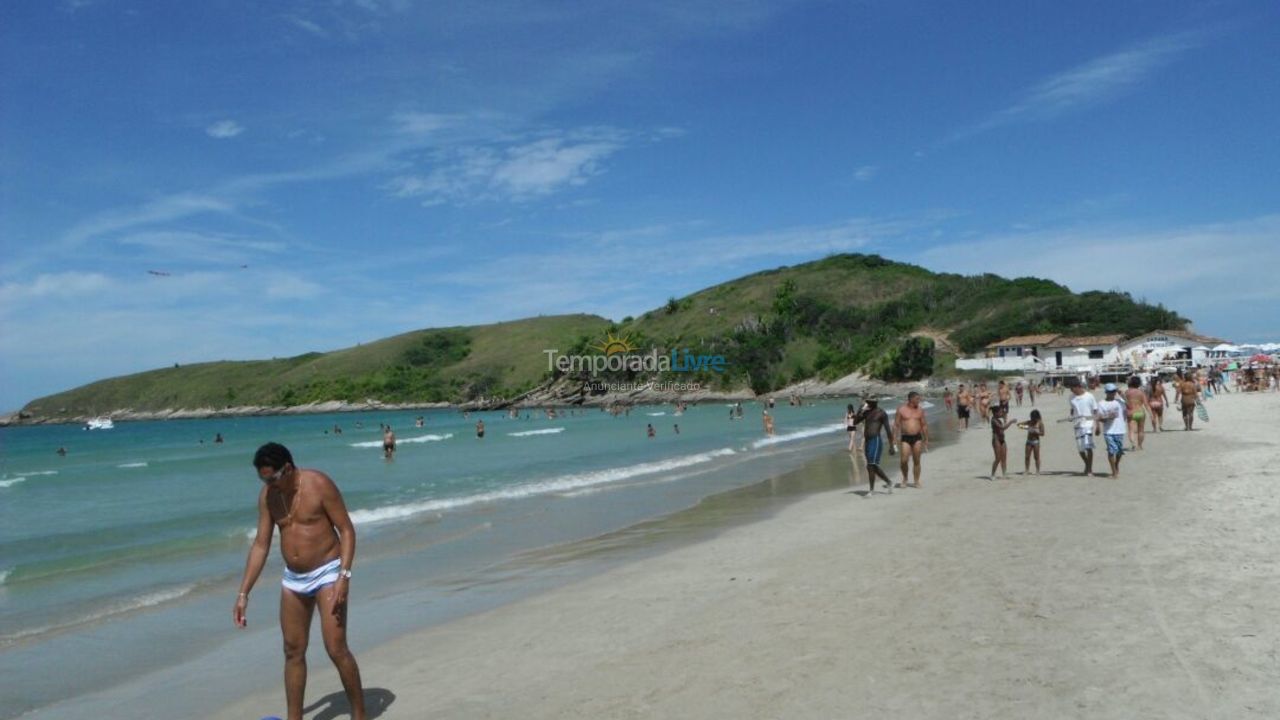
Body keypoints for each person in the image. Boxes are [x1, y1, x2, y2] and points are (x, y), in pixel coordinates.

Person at [233, 443, 366, 720]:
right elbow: (261, 545)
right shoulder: (269, 496)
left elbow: (346, 530)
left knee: (335, 648)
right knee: (293, 650)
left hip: (329, 571)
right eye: (263, 479)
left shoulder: (319, 484)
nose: (268, 484)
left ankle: (359, 714)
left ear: (289, 469)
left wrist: (344, 575)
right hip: (294, 579)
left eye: (272, 478)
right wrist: (244, 592)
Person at [852, 397, 894, 495]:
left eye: (870, 402)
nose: (868, 403)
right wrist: (860, 410)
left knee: (872, 465)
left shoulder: (881, 413)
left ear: (875, 403)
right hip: (867, 441)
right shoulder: (866, 412)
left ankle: (871, 490)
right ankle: (888, 482)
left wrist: (891, 445)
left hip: (876, 440)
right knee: (870, 466)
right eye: (868, 402)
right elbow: (855, 422)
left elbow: (888, 430)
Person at [893, 391, 929, 488]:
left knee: (916, 460)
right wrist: (894, 439)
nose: (919, 400)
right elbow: (896, 425)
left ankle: (916, 481)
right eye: (917, 399)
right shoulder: (901, 410)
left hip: (917, 437)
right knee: (904, 460)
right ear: (911, 399)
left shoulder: (920, 410)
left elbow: (924, 425)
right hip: (905, 438)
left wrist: (926, 439)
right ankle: (905, 479)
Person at [1068, 379, 1101, 477]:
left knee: (1088, 446)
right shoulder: (1071, 397)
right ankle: (1087, 464)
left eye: (1072, 388)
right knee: (1080, 449)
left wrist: (1097, 425)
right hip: (1077, 424)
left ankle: (1090, 469)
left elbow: (1095, 411)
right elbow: (1072, 409)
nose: (1071, 391)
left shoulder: (1089, 396)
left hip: (1088, 424)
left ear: (1078, 386)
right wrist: (1071, 416)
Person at [1098, 383, 1127, 478]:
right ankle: (1114, 472)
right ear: (1106, 392)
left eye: (1114, 392)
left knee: (1119, 452)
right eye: (1110, 392)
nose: (1112, 393)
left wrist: (1120, 392)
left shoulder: (1120, 402)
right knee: (1111, 451)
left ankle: (1116, 464)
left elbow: (1130, 403)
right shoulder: (1101, 403)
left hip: (1120, 429)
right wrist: (1107, 417)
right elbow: (1100, 418)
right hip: (1108, 431)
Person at [988, 404, 1017, 480]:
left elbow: (1004, 415)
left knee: (1004, 458)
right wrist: (1010, 422)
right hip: (996, 440)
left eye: (1001, 412)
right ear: (995, 413)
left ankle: (1004, 474)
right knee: (997, 458)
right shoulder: (994, 420)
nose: (1001, 414)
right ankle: (992, 474)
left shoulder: (998, 419)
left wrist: (1004, 418)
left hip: (1002, 440)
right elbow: (1002, 428)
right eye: (1000, 412)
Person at [1124, 376, 1148, 450]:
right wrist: (1150, 413)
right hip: (1140, 412)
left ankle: (1133, 444)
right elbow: (1146, 403)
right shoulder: (1141, 392)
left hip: (1131, 412)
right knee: (1141, 430)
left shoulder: (1127, 392)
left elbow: (1125, 403)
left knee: (1131, 430)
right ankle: (1140, 445)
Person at [1018, 409, 1045, 475]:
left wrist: (1037, 432)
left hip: (1036, 441)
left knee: (1036, 457)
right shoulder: (1029, 422)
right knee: (1027, 456)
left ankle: (1037, 470)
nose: (1033, 419)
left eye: (1034, 418)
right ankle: (1027, 470)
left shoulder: (1040, 423)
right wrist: (1027, 428)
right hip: (1029, 441)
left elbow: (1043, 433)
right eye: (1032, 418)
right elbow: (1019, 425)